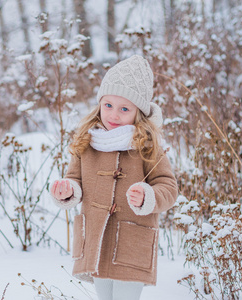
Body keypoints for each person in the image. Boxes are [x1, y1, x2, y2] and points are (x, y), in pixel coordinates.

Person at [49, 55, 178, 300]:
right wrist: (67, 190)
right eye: (108, 105)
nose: (114, 115)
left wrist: (147, 196)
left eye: (124, 109)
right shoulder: (87, 142)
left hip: (132, 241)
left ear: (138, 113)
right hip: (97, 239)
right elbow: (74, 180)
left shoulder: (147, 147)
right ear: (99, 103)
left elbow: (168, 187)